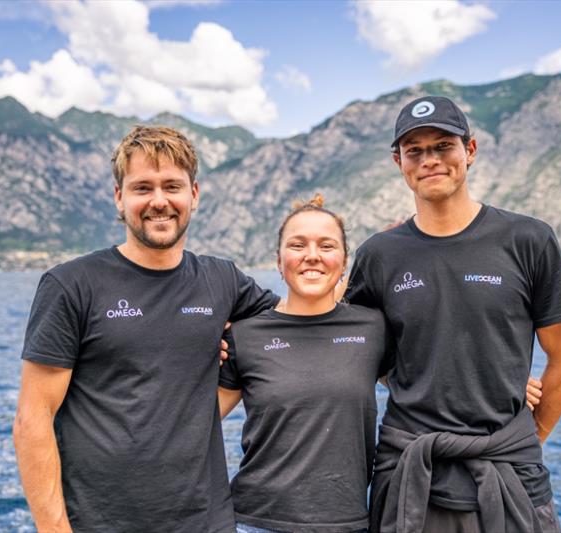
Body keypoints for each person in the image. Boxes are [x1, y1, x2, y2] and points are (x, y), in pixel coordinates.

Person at [217, 195, 544, 533]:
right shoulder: (246, 335)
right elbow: (198, 422)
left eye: (326, 246)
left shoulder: (371, 328)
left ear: (345, 262)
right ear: (279, 259)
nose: (311, 256)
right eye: (297, 245)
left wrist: (497, 379)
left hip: (350, 523)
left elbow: (425, 370)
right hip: (256, 521)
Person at [12, 125, 279, 532]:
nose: (159, 201)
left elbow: (294, 325)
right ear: (120, 198)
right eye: (142, 188)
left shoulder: (222, 280)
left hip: (206, 522)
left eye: (172, 185)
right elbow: (33, 419)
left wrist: (231, 354)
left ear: (194, 194)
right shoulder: (71, 285)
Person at [346, 96, 561, 532]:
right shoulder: (378, 256)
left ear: (469, 151)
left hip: (510, 477)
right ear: (399, 161)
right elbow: (357, 357)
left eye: (443, 145)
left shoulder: (528, 240)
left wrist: (525, 439)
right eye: (415, 150)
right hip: (409, 477)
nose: (430, 159)